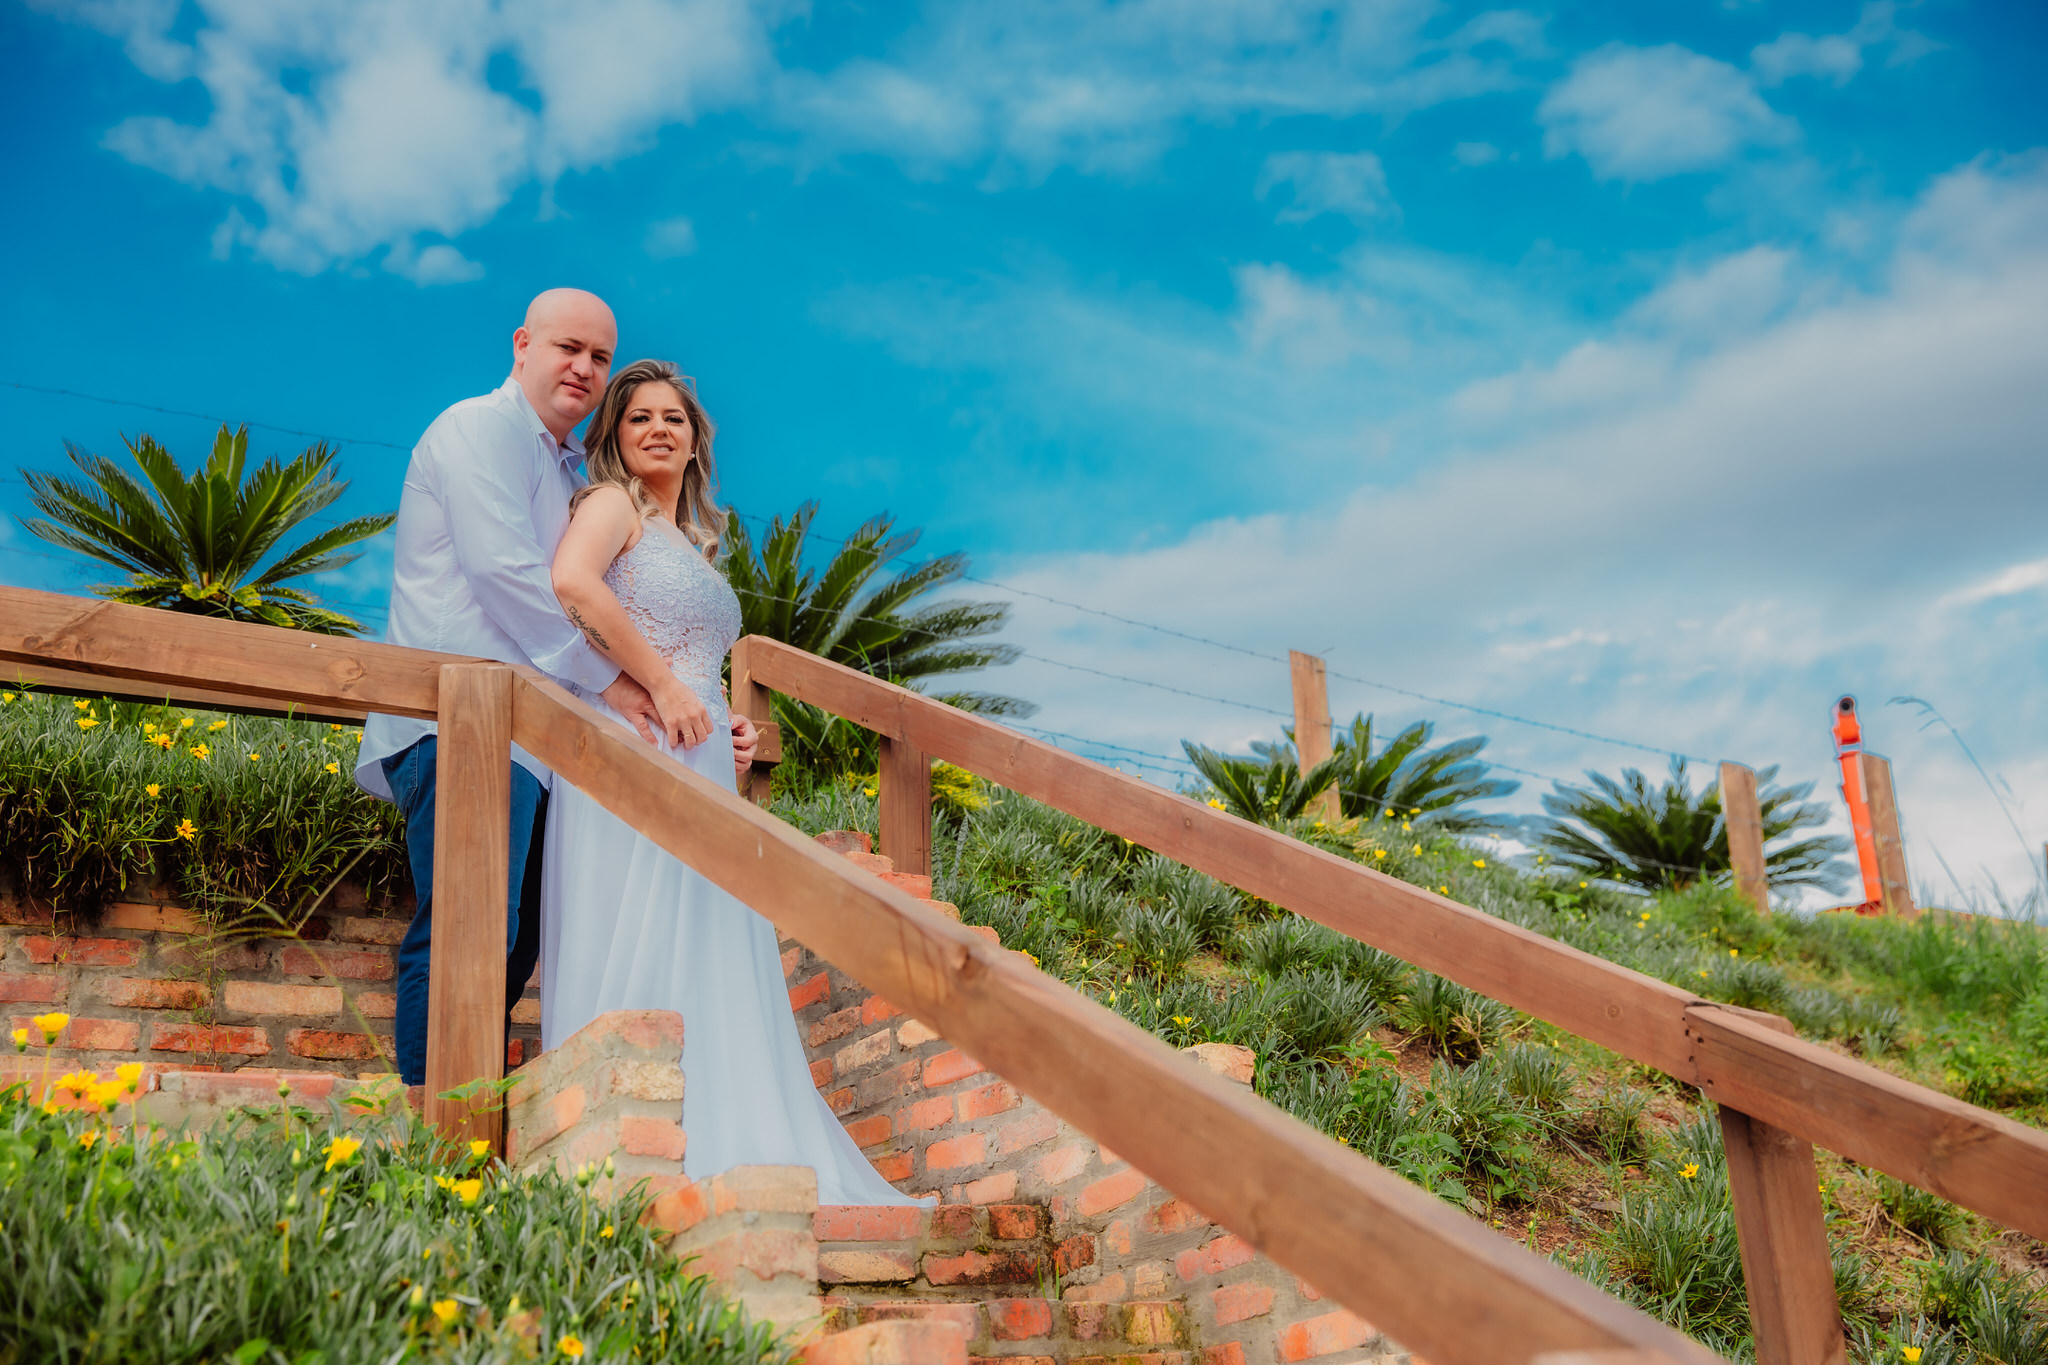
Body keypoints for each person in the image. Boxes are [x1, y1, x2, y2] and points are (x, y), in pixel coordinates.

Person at [542, 359, 919, 1206]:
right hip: (633, 743)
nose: (657, 430)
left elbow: (694, 654)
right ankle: (621, 1140)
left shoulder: (697, 542)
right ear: (615, 437)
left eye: (673, 418)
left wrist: (725, 722)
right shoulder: (610, 507)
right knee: (635, 922)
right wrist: (664, 686)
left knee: (710, 935)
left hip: (701, 753)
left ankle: (723, 1128)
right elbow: (571, 583)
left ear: (695, 440)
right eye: (639, 417)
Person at [356, 290, 757, 1087]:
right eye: (568, 347)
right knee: (469, 926)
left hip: (540, 740)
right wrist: (625, 683)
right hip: (461, 722)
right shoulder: (477, 429)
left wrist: (709, 708)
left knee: (517, 942)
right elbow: (509, 577)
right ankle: (430, 1128)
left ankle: (467, 1112)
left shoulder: (572, 469)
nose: (583, 367)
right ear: (522, 344)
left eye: (599, 356)